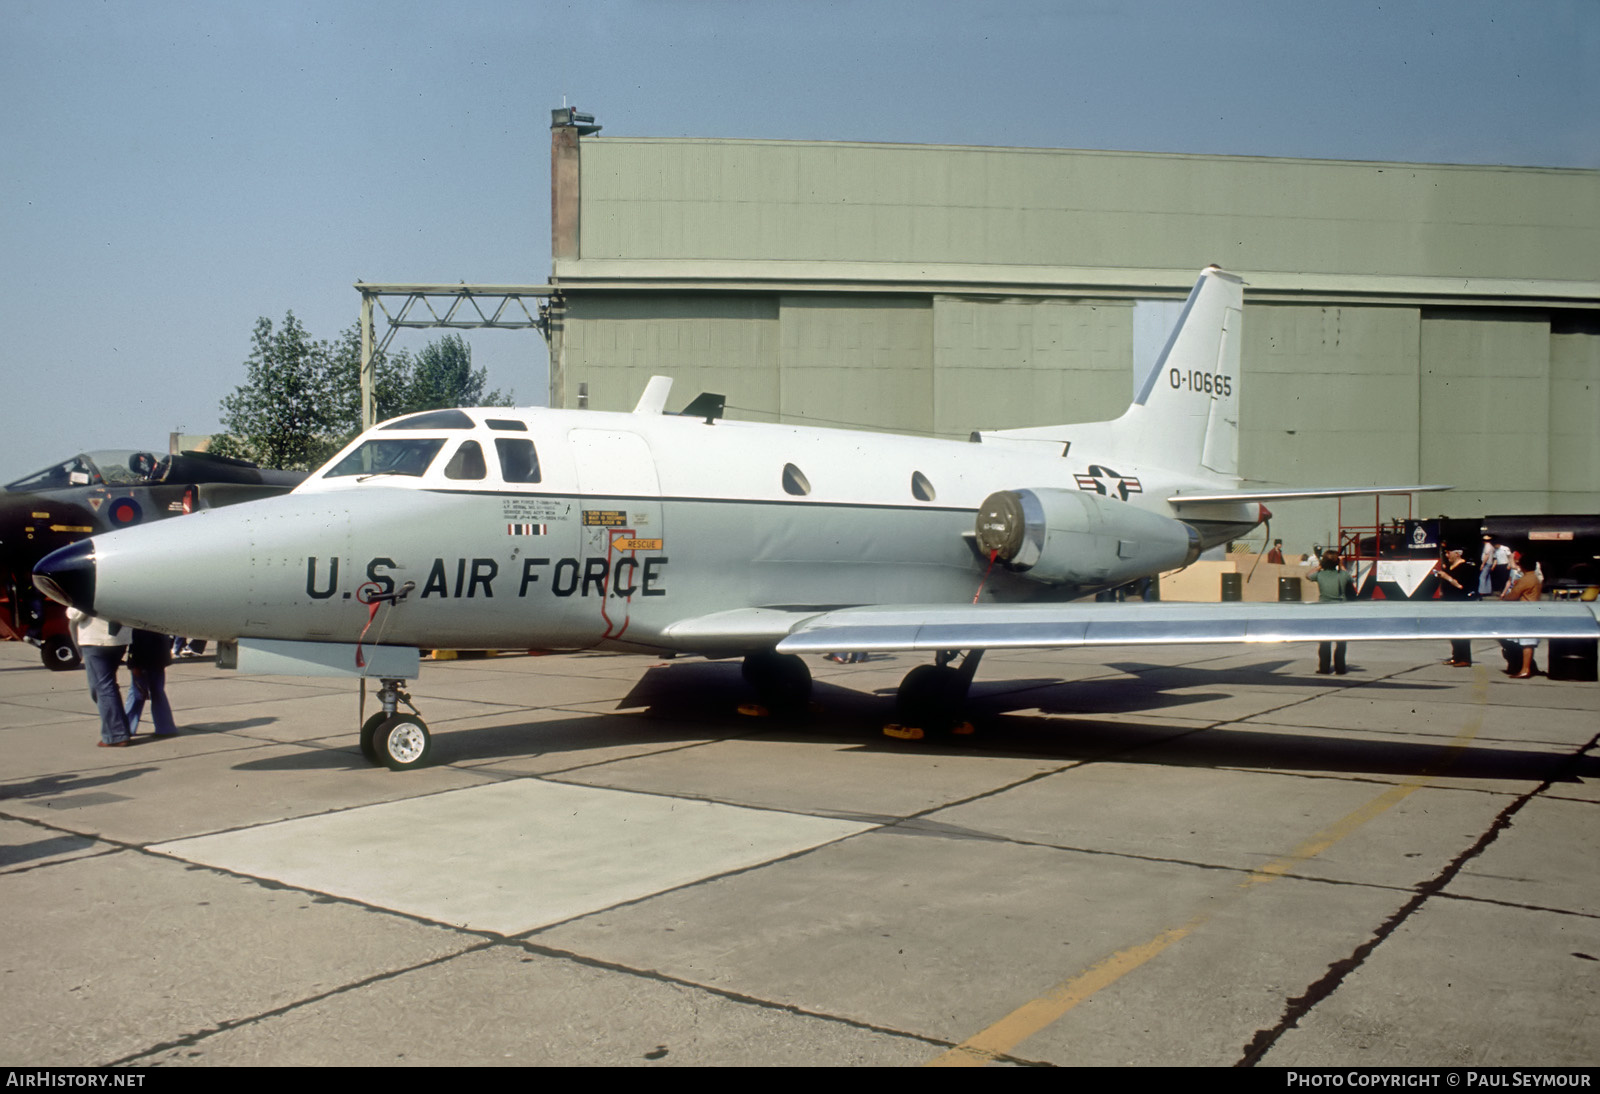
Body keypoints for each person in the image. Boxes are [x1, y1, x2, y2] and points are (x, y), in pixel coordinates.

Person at [67, 607, 132, 747]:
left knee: (101, 688)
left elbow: (77, 612)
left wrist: (69, 611)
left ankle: (116, 734)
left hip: (96, 639)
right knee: (108, 685)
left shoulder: (92, 585)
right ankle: (122, 728)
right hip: (120, 638)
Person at [1305, 550, 1355, 675]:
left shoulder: (1320, 575)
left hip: (1324, 610)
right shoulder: (1342, 575)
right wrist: (1341, 564)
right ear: (1336, 562)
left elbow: (1308, 575)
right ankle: (1340, 668)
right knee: (1341, 641)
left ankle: (1324, 668)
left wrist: (1320, 566)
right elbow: (1349, 577)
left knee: (1324, 641)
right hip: (1341, 610)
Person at [125, 628, 178, 736]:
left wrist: (134, 663)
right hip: (159, 654)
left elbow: (136, 641)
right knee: (157, 691)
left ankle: (127, 727)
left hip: (144, 654)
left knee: (137, 693)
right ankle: (165, 727)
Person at [1499, 557, 1544, 679]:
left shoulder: (1525, 579)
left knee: (1526, 642)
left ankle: (1525, 669)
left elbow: (1513, 595)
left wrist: (1504, 598)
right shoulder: (1535, 578)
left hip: (1526, 613)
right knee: (1527, 642)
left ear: (1522, 566)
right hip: (1533, 611)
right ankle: (1528, 667)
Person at [1435, 547, 1479, 666]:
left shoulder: (1466, 568)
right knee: (1452, 630)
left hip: (1461, 603)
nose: (1447, 555)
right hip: (1450, 603)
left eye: (1449, 553)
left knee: (1462, 630)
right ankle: (1456, 656)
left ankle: (1465, 658)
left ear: (1457, 554)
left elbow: (1461, 586)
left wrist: (1446, 577)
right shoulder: (1450, 567)